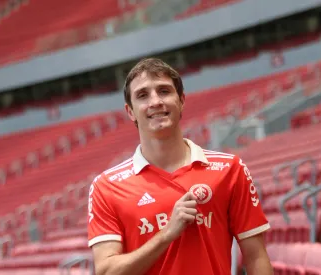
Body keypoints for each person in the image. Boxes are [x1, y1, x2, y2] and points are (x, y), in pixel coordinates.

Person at [87, 58, 273, 275]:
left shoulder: (229, 169)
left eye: (164, 91)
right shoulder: (106, 187)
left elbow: (256, 256)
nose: (155, 101)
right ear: (130, 111)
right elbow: (106, 271)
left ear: (182, 100)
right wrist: (166, 235)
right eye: (143, 95)